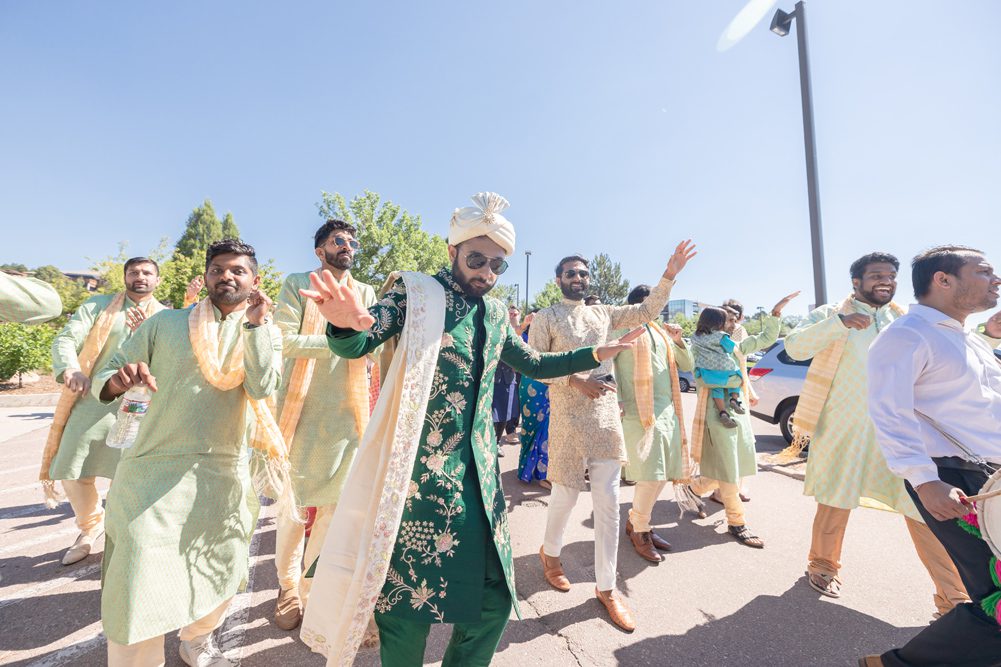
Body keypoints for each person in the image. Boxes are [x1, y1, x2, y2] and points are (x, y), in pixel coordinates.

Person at [299, 193, 641, 667]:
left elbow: (534, 363)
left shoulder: (496, 313)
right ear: (452, 251)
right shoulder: (416, 294)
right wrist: (343, 326)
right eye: (476, 259)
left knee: (493, 602)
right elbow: (362, 338)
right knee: (405, 609)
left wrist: (595, 354)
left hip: (479, 477)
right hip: (416, 478)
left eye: (497, 265)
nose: (486, 272)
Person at [92, 239, 286, 667]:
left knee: (219, 571)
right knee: (136, 581)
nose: (226, 276)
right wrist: (119, 380)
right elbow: (107, 371)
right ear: (207, 276)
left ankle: (196, 640)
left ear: (254, 280)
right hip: (150, 473)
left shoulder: (265, 332)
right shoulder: (164, 324)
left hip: (222, 475)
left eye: (237, 270)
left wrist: (256, 329)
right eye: (217, 269)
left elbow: (262, 388)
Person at [783, 252, 967, 614]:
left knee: (924, 509)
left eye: (891, 276)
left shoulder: (905, 319)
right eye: (877, 275)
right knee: (836, 500)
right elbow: (794, 346)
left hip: (901, 433)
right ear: (857, 282)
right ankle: (822, 566)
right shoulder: (830, 314)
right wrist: (838, 324)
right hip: (845, 430)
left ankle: (953, 599)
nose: (886, 281)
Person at [529, 241, 697, 631]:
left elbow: (646, 311)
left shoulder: (604, 312)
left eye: (583, 273)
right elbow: (535, 364)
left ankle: (607, 588)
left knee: (608, 502)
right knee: (566, 495)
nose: (578, 278)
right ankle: (550, 554)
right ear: (559, 279)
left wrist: (669, 275)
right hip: (568, 414)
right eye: (571, 273)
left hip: (605, 415)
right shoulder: (547, 317)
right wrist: (574, 381)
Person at [861, 246, 1001, 667]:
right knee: (996, 599)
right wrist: (924, 480)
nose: (996, 280)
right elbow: (889, 412)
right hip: (955, 480)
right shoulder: (907, 335)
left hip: (991, 479)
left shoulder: (968, 338)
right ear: (943, 279)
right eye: (984, 271)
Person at [270, 219, 377, 630]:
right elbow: (283, 340)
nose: (347, 246)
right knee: (293, 511)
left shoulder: (366, 292)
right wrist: (343, 339)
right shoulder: (299, 284)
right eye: (338, 240)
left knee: (332, 511)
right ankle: (287, 588)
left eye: (352, 241)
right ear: (320, 250)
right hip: (301, 411)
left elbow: (374, 345)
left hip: (349, 415)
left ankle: (310, 588)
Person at [40, 257, 166, 565]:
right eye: (133, 272)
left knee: (129, 474)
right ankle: (90, 526)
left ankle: (122, 533)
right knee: (71, 467)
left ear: (157, 280)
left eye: (147, 272)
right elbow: (67, 338)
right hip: (92, 399)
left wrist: (146, 333)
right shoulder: (97, 306)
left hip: (140, 406)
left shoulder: (166, 317)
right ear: (124, 276)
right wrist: (70, 369)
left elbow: (168, 359)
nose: (140, 276)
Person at [687, 291, 799, 548]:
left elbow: (766, 339)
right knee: (729, 466)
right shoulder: (701, 346)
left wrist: (776, 312)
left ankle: (693, 488)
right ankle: (737, 522)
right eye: (728, 319)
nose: (734, 322)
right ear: (717, 324)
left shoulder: (734, 345)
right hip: (716, 410)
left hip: (739, 408)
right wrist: (729, 382)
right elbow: (701, 378)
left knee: (735, 463)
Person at [613, 284, 694, 563]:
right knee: (651, 474)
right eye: (656, 303)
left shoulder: (660, 331)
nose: (661, 308)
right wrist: (617, 399)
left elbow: (687, 365)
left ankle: (638, 522)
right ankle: (640, 530)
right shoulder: (623, 327)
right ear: (641, 304)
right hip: (638, 411)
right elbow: (608, 363)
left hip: (668, 412)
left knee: (663, 473)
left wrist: (679, 340)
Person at [691, 306, 747, 429]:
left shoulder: (695, 336)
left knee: (717, 388)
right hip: (725, 368)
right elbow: (730, 348)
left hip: (706, 371)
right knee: (738, 377)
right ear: (719, 322)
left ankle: (722, 412)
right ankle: (734, 399)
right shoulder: (721, 336)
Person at [517, 312, 551, 488]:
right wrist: (523, 324)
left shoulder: (552, 341)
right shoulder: (524, 340)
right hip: (530, 387)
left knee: (546, 429)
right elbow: (510, 337)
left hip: (548, 387)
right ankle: (526, 471)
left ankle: (543, 473)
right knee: (530, 429)